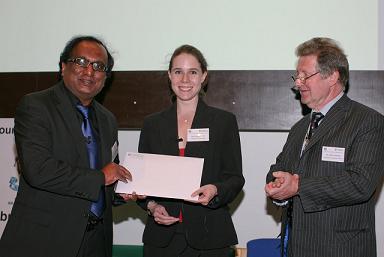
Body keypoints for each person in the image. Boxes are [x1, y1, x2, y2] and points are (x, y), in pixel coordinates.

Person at [0, 35, 133, 257]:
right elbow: (38, 170)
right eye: (81, 62)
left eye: (99, 66)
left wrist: (122, 192)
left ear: (106, 77)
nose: (89, 71)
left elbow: (110, 175)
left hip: (95, 242)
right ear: (63, 67)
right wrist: (101, 177)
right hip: (45, 241)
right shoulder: (36, 106)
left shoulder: (108, 119)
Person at [265, 37, 384, 257]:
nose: (297, 83)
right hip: (296, 248)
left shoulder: (367, 122)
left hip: (341, 249)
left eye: (304, 76)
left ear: (332, 77)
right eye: (297, 76)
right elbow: (278, 169)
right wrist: (278, 188)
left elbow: (361, 183)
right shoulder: (300, 127)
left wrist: (298, 186)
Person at [137, 44, 244, 257]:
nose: (185, 80)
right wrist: (151, 206)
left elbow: (234, 179)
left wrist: (215, 190)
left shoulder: (223, 122)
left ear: (203, 76)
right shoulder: (152, 124)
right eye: (178, 72)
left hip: (210, 237)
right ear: (169, 75)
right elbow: (143, 183)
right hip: (161, 240)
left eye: (192, 72)